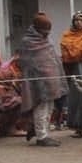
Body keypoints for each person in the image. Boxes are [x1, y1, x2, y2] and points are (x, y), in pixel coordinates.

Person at [18, 12, 67, 147]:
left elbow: (51, 59)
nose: (47, 33)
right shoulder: (27, 42)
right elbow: (27, 63)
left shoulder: (46, 40)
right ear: (38, 28)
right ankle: (41, 136)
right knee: (41, 108)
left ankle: (43, 132)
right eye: (45, 30)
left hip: (51, 82)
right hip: (36, 82)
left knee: (49, 108)